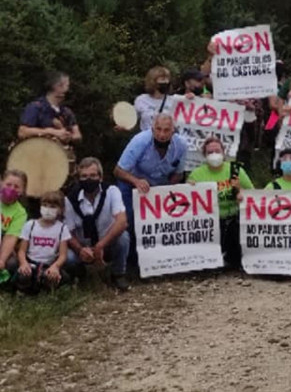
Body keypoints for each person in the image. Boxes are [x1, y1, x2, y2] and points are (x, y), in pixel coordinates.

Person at [114, 113, 188, 258]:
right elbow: (118, 171)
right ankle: (129, 261)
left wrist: (166, 191)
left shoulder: (182, 145)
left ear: (173, 130)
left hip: (159, 187)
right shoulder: (140, 141)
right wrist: (136, 181)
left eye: (166, 130)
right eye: (158, 129)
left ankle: (157, 258)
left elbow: (179, 174)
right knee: (129, 220)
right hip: (131, 183)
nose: (162, 134)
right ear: (152, 129)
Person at [64, 158, 130, 291]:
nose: (88, 179)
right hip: (83, 247)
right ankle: (81, 277)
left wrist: (101, 245)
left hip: (106, 243)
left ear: (100, 177)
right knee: (69, 257)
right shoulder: (70, 199)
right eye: (84, 176)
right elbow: (67, 231)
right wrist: (80, 249)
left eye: (93, 175)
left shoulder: (111, 191)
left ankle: (118, 274)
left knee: (124, 237)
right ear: (79, 179)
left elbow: (122, 221)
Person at [188, 137, 254, 268]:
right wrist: (189, 188)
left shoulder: (236, 170)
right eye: (210, 152)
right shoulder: (197, 175)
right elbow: (188, 202)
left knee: (236, 259)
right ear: (204, 156)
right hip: (211, 222)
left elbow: (253, 193)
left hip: (234, 219)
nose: (214, 155)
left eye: (217, 151)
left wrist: (241, 192)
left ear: (224, 153)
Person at [16, 191, 71, 293]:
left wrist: (56, 266)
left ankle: (46, 288)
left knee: (60, 278)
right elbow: (22, 250)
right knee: (23, 276)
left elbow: (63, 255)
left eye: (52, 206)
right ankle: (24, 291)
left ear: (60, 210)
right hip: (31, 262)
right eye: (45, 205)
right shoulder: (30, 225)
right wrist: (23, 263)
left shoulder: (62, 228)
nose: (48, 209)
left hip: (49, 264)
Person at [18, 71, 82, 144]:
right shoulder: (35, 107)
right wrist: (51, 132)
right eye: (67, 85)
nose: (68, 89)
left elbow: (77, 135)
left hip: (59, 152)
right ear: (57, 86)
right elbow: (22, 132)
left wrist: (68, 136)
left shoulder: (66, 112)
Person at [0, 170, 29, 279]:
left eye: (16, 187)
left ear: (22, 190)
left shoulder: (20, 212)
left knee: (12, 263)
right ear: (1, 183)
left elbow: (11, 237)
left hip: (4, 243)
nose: (11, 189)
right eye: (8, 184)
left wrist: (2, 260)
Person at [134, 66, 174, 131]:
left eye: (167, 79)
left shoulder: (174, 100)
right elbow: (132, 120)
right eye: (162, 79)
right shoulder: (141, 100)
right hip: (146, 139)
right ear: (153, 81)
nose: (166, 82)